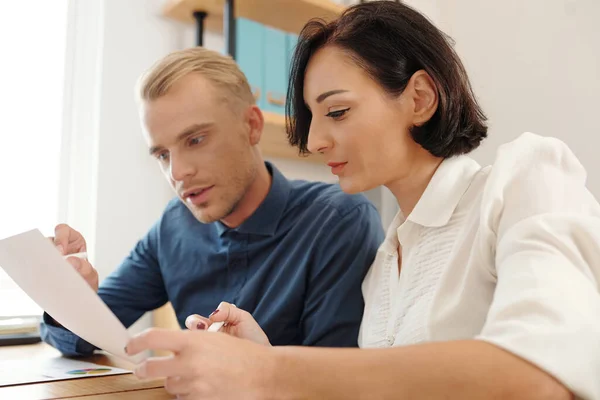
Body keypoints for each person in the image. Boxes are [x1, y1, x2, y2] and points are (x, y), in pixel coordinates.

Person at [125, 2, 600, 399]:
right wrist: (260, 356)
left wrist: (265, 371)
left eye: (337, 111)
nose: (314, 142)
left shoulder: (526, 181)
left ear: (419, 99)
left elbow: (544, 374)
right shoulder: (385, 266)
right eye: (312, 117)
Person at [41, 47, 386, 356]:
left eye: (196, 139)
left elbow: (338, 383)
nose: (177, 172)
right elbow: (85, 337)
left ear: (251, 126)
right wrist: (70, 296)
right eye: (162, 154)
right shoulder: (174, 226)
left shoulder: (339, 220)